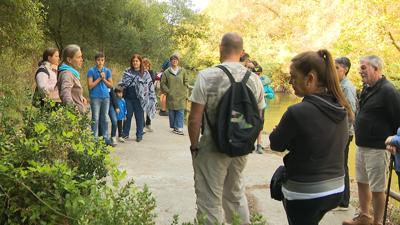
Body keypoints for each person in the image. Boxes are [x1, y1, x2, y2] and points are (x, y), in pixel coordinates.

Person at [269, 49, 353, 225]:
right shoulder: (341, 107)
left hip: (306, 192)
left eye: (293, 76)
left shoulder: (297, 111)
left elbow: (276, 144)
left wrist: (290, 140)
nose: (290, 81)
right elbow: (323, 140)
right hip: (336, 189)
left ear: (310, 78)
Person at [188, 32, 265, 225]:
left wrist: (194, 147)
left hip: (211, 147)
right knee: (236, 195)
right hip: (240, 148)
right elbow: (260, 117)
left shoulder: (206, 76)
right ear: (243, 52)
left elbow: (194, 119)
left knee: (210, 200)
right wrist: (248, 141)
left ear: (220, 48)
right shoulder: (255, 80)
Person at [343, 55, 400, 225]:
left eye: (363, 67)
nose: (360, 71)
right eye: (360, 68)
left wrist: (394, 140)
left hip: (378, 147)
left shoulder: (389, 91)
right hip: (362, 145)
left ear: (376, 68)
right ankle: (365, 216)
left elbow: (398, 121)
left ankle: (377, 222)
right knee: (362, 182)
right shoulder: (367, 88)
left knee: (377, 188)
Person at [332, 57, 357, 211]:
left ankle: (343, 201)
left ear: (346, 69)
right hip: (338, 132)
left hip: (345, 133)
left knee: (342, 165)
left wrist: (342, 131)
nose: (334, 71)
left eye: (337, 68)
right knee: (337, 164)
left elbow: (350, 112)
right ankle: (339, 199)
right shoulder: (338, 85)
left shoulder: (347, 87)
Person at [118, 54, 157, 142]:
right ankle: (125, 133)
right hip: (128, 97)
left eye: (137, 61)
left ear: (140, 62)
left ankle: (139, 134)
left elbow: (149, 85)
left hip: (140, 99)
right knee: (127, 115)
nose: (135, 63)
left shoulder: (145, 73)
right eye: (133, 61)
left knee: (139, 117)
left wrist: (149, 96)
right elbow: (122, 83)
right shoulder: (128, 72)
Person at [87, 52, 114, 146]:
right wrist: (99, 78)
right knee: (95, 117)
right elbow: (90, 86)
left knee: (105, 117)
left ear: (104, 60)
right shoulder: (92, 71)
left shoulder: (107, 71)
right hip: (95, 97)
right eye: (98, 60)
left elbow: (111, 85)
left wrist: (104, 79)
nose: (100, 62)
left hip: (106, 96)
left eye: (102, 60)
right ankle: (93, 137)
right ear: (95, 60)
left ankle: (105, 137)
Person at [161, 54, 188, 135]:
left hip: (181, 95)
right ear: (170, 61)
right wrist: (168, 91)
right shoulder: (167, 72)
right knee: (172, 111)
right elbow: (163, 83)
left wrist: (184, 88)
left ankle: (178, 127)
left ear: (178, 61)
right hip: (171, 94)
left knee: (180, 110)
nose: (174, 61)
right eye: (173, 59)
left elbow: (186, 80)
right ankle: (174, 126)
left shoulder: (182, 71)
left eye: (176, 59)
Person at [57, 44, 87, 113]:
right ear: (69, 60)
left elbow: (72, 92)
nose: (81, 60)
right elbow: (65, 92)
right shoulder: (67, 74)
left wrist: (80, 98)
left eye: (81, 56)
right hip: (73, 118)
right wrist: (73, 109)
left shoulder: (70, 73)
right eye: (78, 57)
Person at [252, 65, 274, 154]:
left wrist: (265, 95)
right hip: (251, 107)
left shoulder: (265, 85)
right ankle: (249, 143)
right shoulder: (250, 82)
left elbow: (272, 95)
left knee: (260, 127)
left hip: (262, 108)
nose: (257, 75)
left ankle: (259, 145)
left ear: (262, 74)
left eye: (258, 74)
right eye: (255, 74)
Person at [159, 52, 181, 116]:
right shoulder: (170, 63)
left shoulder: (168, 61)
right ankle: (163, 110)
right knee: (165, 95)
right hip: (166, 80)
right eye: (178, 59)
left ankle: (162, 109)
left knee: (163, 94)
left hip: (163, 78)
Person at [143, 58, 155, 132]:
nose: (146, 68)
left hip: (149, 92)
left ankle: (148, 123)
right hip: (142, 93)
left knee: (149, 108)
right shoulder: (140, 73)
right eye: (145, 66)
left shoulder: (150, 72)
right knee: (142, 109)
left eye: (148, 66)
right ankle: (142, 125)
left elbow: (152, 80)